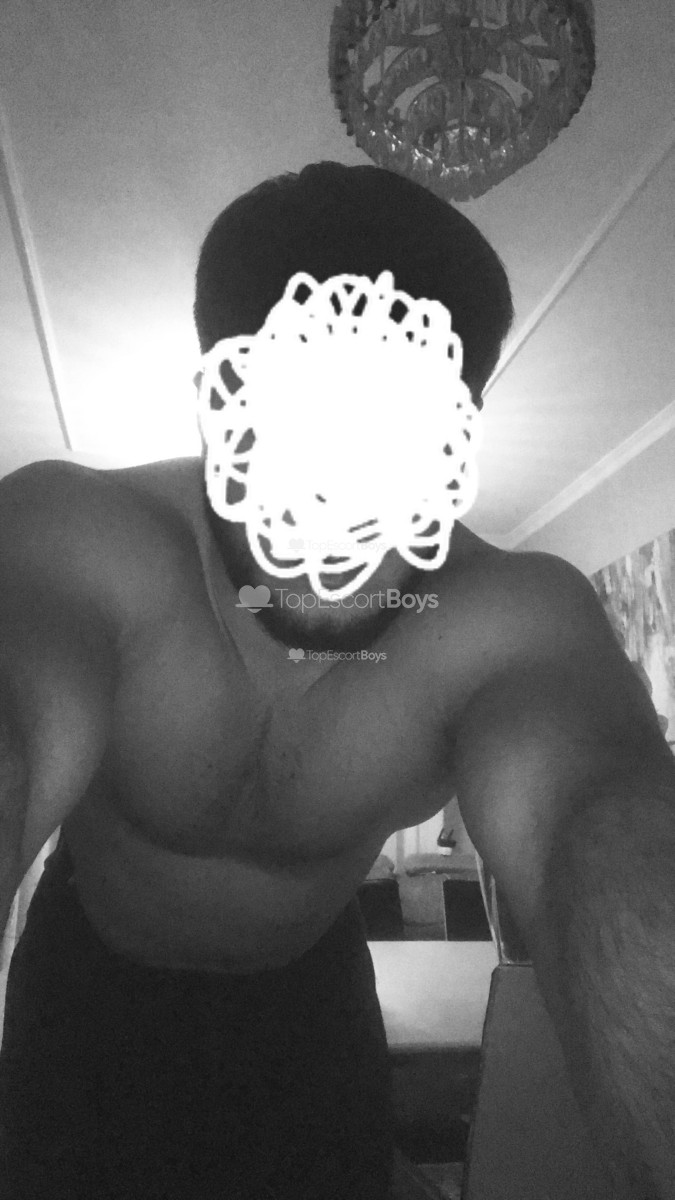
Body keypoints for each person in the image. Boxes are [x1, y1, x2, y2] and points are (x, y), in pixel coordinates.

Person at [0, 161, 673, 1200]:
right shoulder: (81, 542)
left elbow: (602, 822)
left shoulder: (507, 621)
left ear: (457, 437)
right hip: (88, 981)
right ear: (224, 405)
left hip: (306, 998)